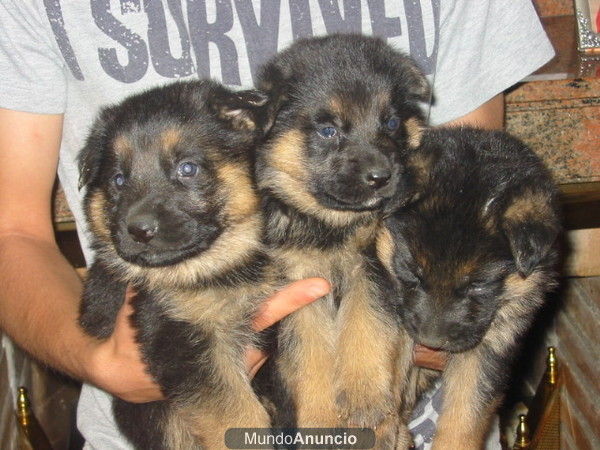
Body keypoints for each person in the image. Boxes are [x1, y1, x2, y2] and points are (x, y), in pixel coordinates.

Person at [0, 1, 554, 448]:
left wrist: (409, 352)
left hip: (410, 424)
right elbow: (12, 233)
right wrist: (98, 361)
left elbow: (461, 223)